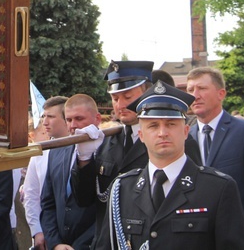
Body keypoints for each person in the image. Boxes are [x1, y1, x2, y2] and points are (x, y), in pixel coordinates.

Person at [96, 81, 244, 249]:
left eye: (171, 124)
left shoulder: (217, 188)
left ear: (185, 131)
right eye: (153, 126)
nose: (162, 133)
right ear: (141, 135)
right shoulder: (123, 189)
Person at [71, 61, 202, 237]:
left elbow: (192, 198)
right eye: (115, 98)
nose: (120, 105)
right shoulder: (106, 141)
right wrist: (84, 159)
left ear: (147, 94)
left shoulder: (175, 141)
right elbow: (84, 200)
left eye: (127, 97)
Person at [186, 66, 244, 249]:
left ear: (221, 93)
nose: (195, 95)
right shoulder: (185, 138)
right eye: (190, 90)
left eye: (202, 88)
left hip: (242, 239)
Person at [40, 94, 104, 250]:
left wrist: (81, 245)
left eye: (79, 119)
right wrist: (55, 243)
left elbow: (107, 209)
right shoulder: (57, 150)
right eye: (68, 120)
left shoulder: (110, 152)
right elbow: (48, 203)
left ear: (97, 119)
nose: (73, 125)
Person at [23, 96, 69, 250]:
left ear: (65, 119)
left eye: (51, 117)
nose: (45, 122)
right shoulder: (40, 152)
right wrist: (36, 230)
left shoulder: (81, 149)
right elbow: (31, 194)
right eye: (43, 116)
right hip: (46, 234)